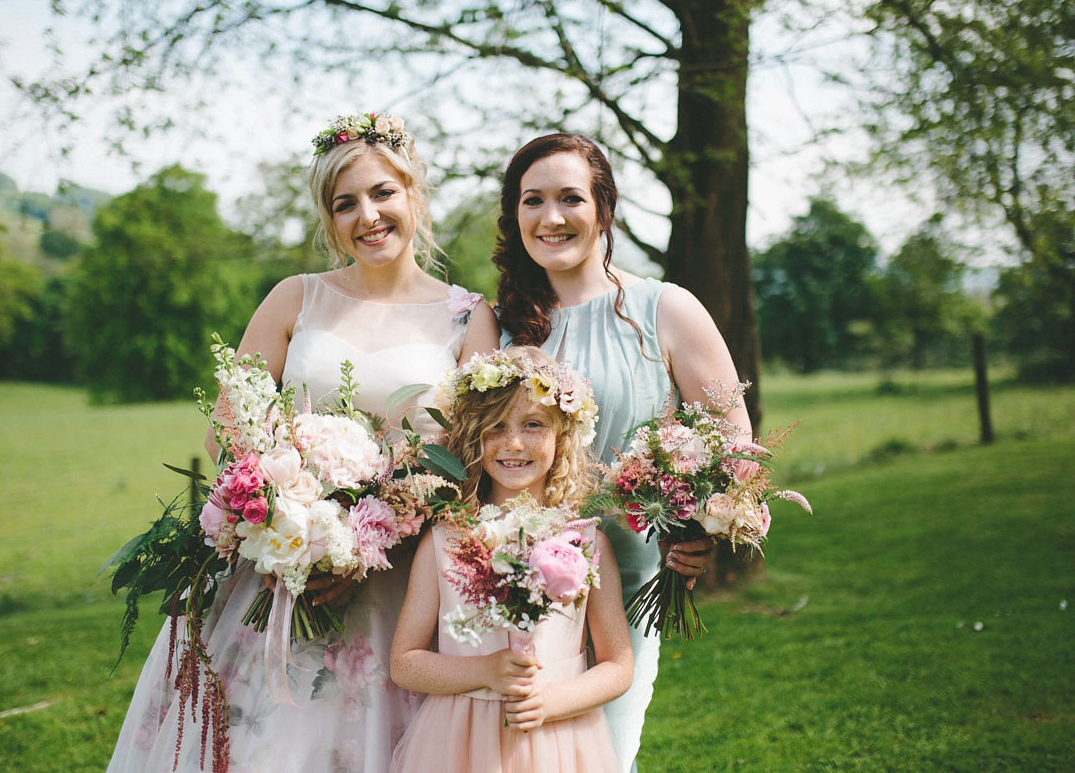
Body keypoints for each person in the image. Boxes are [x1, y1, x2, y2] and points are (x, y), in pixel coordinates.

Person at [105, 112, 498, 773]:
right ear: (328, 220)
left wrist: (361, 546)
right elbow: (228, 431)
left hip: (400, 589)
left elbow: (474, 465)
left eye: (382, 194)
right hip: (276, 576)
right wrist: (293, 523)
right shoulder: (296, 298)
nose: (367, 215)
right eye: (345, 204)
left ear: (413, 196)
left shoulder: (467, 316)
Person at [493, 133, 752, 773]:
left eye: (570, 198)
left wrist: (701, 528)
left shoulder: (668, 309)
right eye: (532, 201)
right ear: (515, 216)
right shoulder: (496, 324)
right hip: (512, 588)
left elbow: (734, 445)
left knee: (603, 756)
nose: (551, 217)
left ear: (603, 209)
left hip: (625, 588)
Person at [389, 346, 633, 773]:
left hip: (559, 737)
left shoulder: (585, 541)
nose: (513, 443)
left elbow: (618, 664)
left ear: (562, 437)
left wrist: (551, 701)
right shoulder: (445, 541)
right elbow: (405, 663)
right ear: (472, 438)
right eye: (495, 427)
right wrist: (484, 671)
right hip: (458, 745)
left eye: (533, 425)